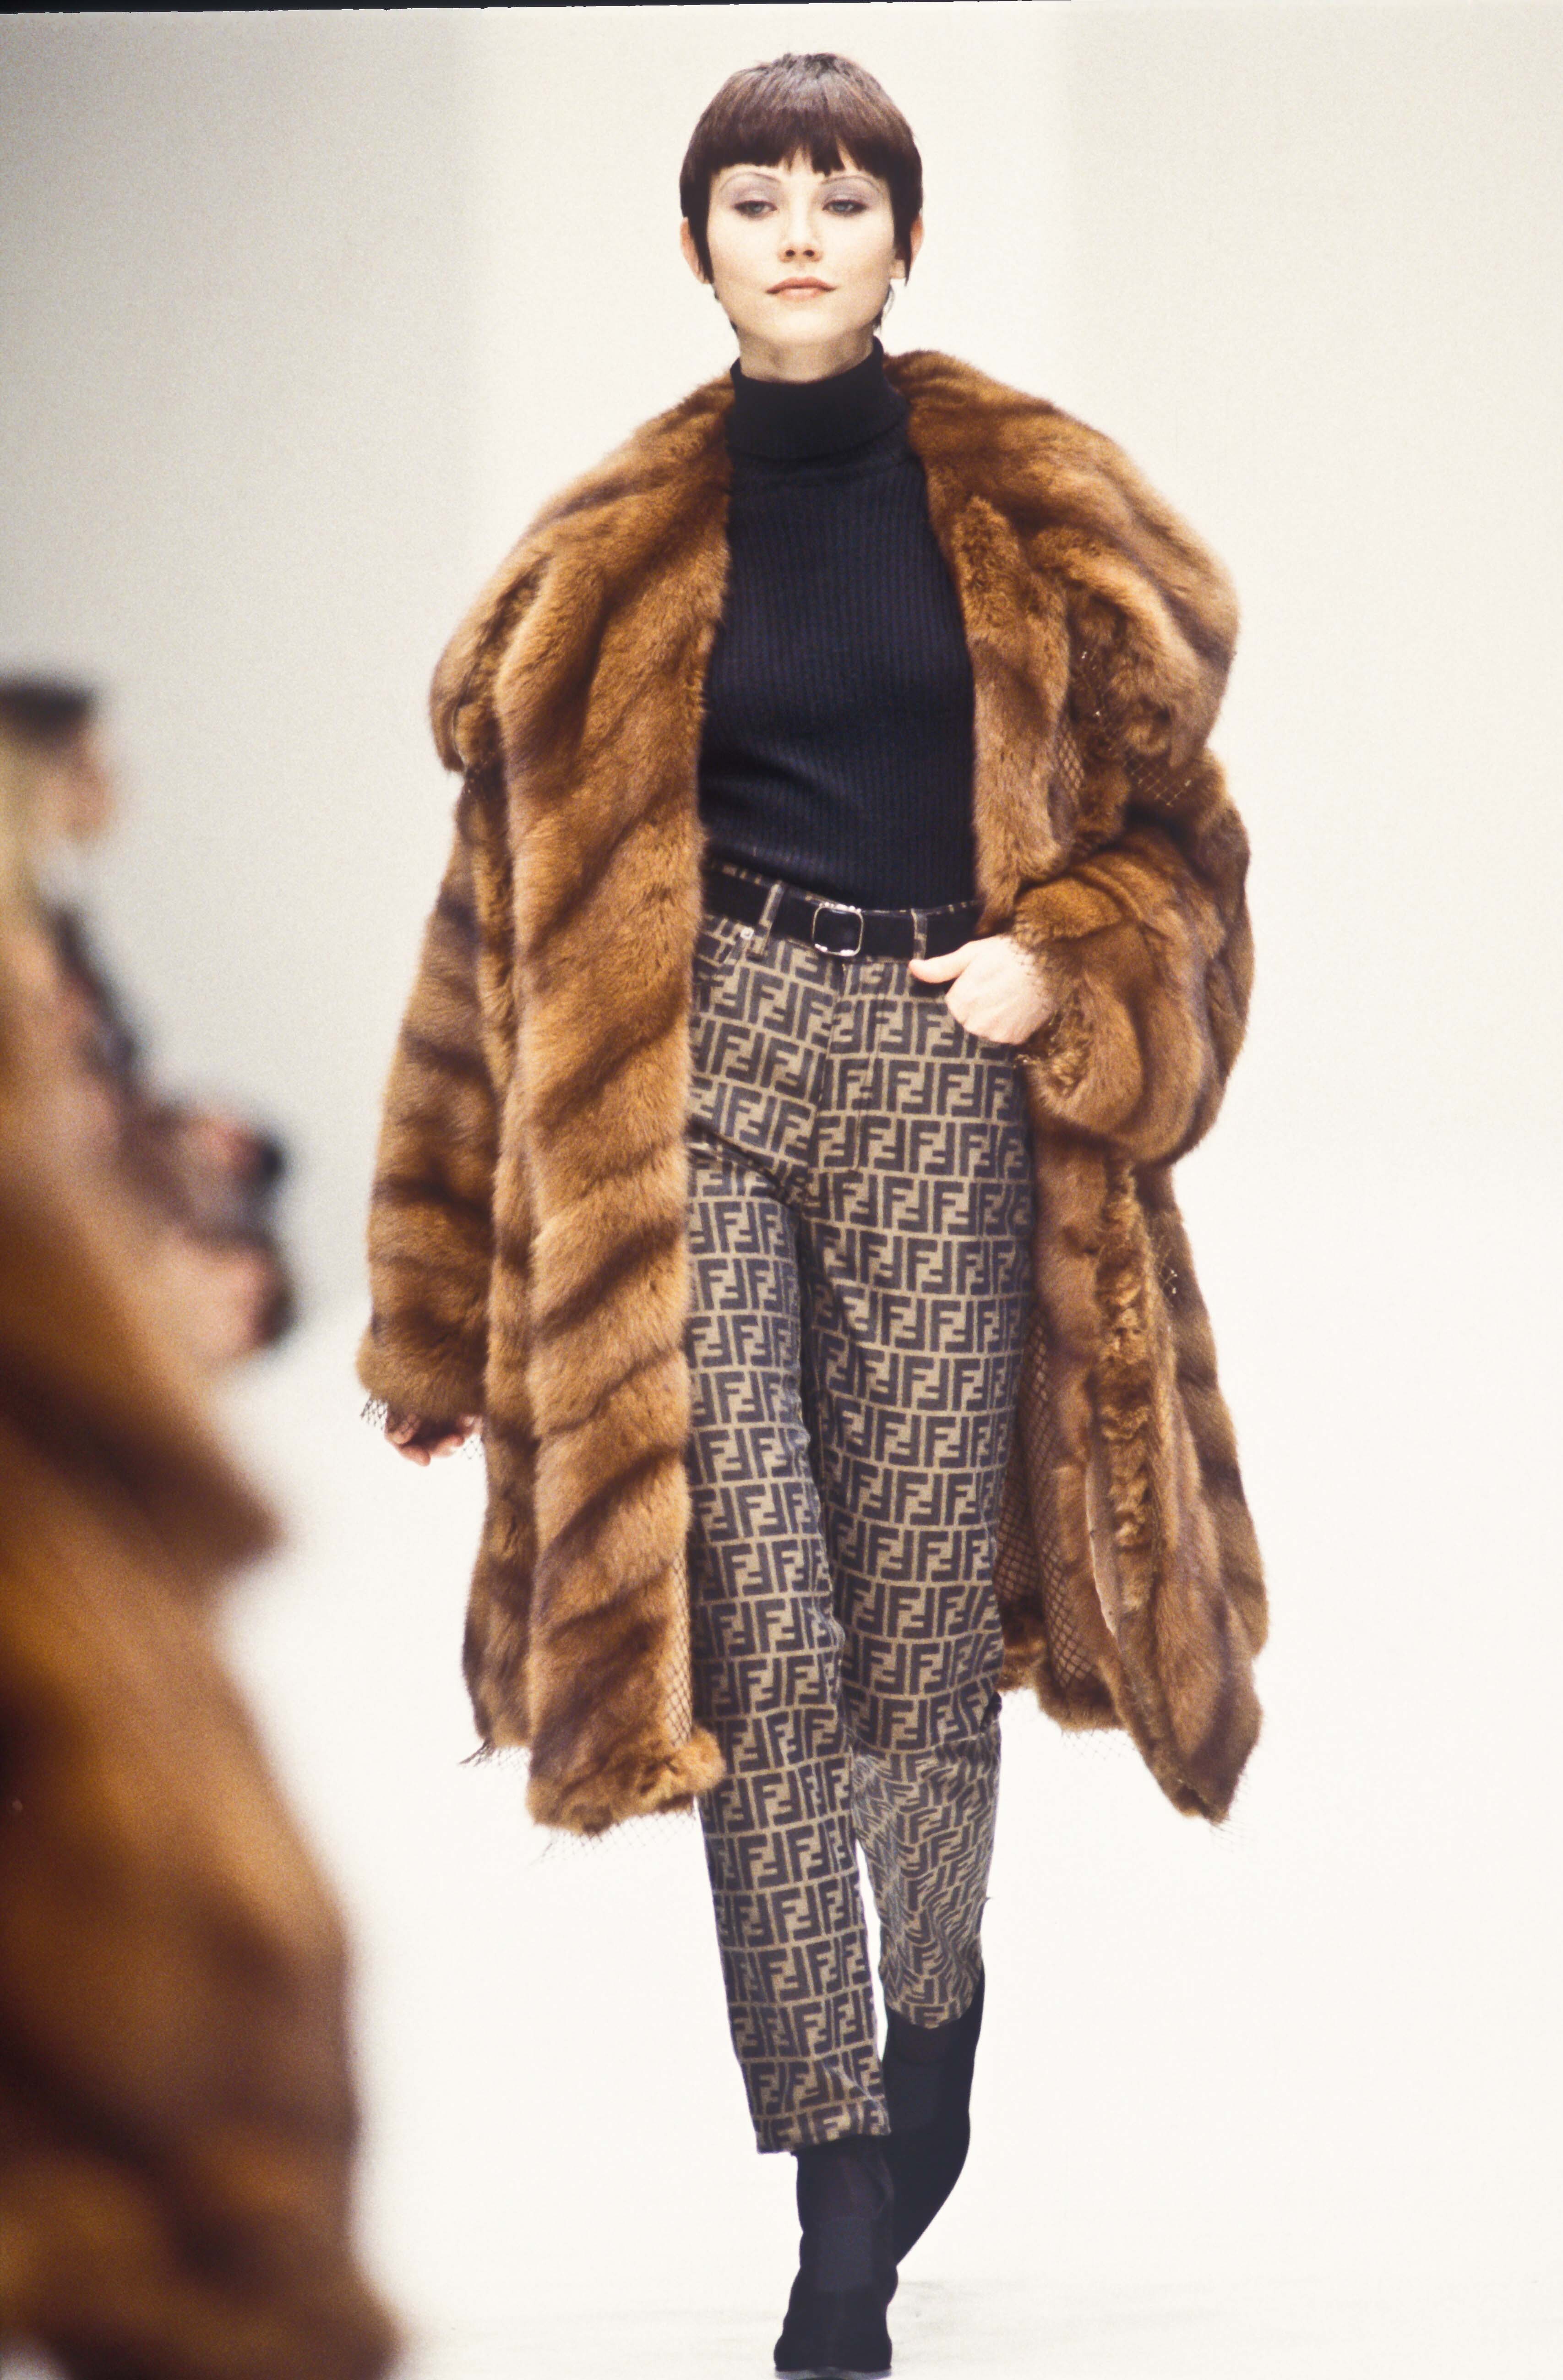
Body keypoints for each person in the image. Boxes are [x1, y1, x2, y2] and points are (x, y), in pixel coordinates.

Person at [360, 50, 1266, 2380]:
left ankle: (931, 2007)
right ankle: (835, 2182)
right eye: (752, 195)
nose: (793, 231)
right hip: (697, 1074)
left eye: (838, 196)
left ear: (900, 242)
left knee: (912, 1646)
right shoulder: (597, 564)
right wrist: (437, 1301)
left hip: (944, 1073)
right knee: (754, 1633)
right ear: (693, 245)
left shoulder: (1046, 514)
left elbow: (1186, 861)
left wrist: (1060, 958)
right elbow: (486, 940)